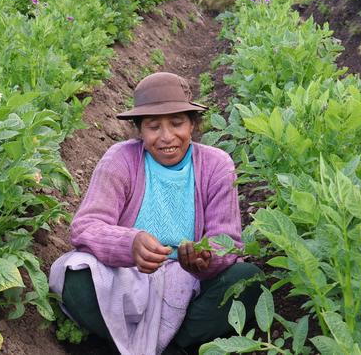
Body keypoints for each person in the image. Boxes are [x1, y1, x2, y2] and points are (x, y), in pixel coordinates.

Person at [49, 72, 262, 355]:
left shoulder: (216, 165)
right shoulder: (120, 159)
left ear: (193, 125)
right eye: (153, 126)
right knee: (73, 274)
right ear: (139, 130)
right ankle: (127, 340)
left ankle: (173, 344)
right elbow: (86, 226)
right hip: (126, 278)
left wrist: (203, 257)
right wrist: (130, 244)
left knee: (248, 279)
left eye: (177, 123)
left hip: (188, 286)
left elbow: (228, 240)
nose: (166, 137)